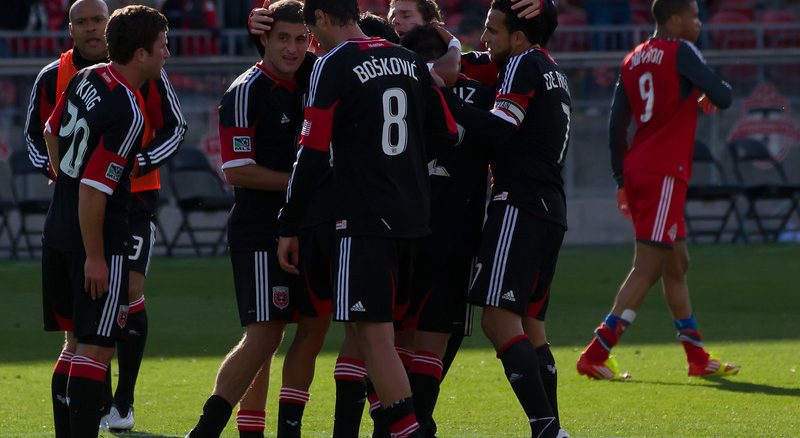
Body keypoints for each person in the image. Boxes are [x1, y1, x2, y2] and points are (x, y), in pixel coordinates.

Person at [276, 0, 458, 436]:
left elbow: (313, 151)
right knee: (379, 336)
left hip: (363, 220)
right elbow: (448, 133)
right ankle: (402, 427)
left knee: (373, 336)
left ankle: (411, 430)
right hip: (414, 217)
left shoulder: (333, 63)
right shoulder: (410, 60)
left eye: (309, 28)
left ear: (320, 17)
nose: (310, 41)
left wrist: (289, 221)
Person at [24, 0, 186, 431]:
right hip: (95, 234)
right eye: (163, 47)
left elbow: (49, 133)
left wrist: (66, 179)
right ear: (141, 54)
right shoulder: (128, 109)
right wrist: (96, 254)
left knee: (74, 343)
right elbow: (97, 192)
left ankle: (107, 409)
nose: (167, 54)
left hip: (58, 223)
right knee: (96, 348)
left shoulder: (86, 76)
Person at [576, 0, 739, 380]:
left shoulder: (633, 58)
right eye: (695, 16)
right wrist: (707, 91)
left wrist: (620, 180)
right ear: (675, 19)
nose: (699, 23)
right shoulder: (681, 50)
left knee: (676, 264)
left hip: (639, 168)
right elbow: (725, 94)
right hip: (664, 171)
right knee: (647, 267)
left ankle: (696, 356)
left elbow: (616, 126)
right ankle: (596, 351)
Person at [439, 0, 570, 436]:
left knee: (498, 321)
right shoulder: (552, 68)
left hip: (520, 204)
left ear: (518, 37)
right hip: (551, 208)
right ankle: (552, 429)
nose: (485, 38)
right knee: (532, 327)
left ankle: (546, 428)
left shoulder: (521, 64)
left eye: (493, 30)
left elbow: (498, 128)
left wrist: (442, 97)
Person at [186, 2, 313, 437]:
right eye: (283, 38)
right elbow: (237, 170)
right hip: (260, 230)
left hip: (306, 228)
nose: (293, 48)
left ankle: (258, 430)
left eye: (300, 38)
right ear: (264, 38)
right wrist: (306, 183)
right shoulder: (245, 91)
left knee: (299, 334)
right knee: (264, 336)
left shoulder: (316, 77)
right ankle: (206, 429)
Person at [399, 23, 495, 437]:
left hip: (401, 231)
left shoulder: (396, 92)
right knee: (430, 339)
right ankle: (417, 424)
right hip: (453, 234)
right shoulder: (480, 94)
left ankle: (398, 424)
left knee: (389, 340)